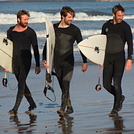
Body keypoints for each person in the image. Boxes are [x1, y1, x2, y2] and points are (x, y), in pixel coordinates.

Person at [43, 6, 88, 117]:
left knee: (66, 84)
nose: (71, 19)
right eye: (69, 17)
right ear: (62, 16)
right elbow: (47, 46)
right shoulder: (54, 28)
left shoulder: (75, 30)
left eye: (72, 17)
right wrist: (45, 59)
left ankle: (62, 108)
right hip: (57, 62)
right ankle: (70, 107)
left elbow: (81, 46)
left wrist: (85, 61)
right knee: (62, 87)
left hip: (68, 61)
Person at [101, 4, 133, 116]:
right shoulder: (106, 26)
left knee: (117, 83)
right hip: (108, 58)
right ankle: (120, 97)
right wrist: (100, 58)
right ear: (113, 14)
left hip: (119, 57)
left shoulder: (125, 27)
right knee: (105, 84)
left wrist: (129, 59)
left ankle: (115, 109)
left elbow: (130, 43)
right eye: (119, 15)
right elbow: (101, 43)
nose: (121, 17)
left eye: (122, 15)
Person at [7, 10, 41, 115]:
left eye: (27, 19)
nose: (27, 21)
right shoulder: (10, 31)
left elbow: (35, 49)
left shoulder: (30, 32)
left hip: (26, 61)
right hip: (15, 61)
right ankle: (32, 103)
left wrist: (37, 65)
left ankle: (15, 109)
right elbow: (8, 48)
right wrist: (6, 63)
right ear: (18, 19)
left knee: (21, 84)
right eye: (25, 19)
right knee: (22, 84)